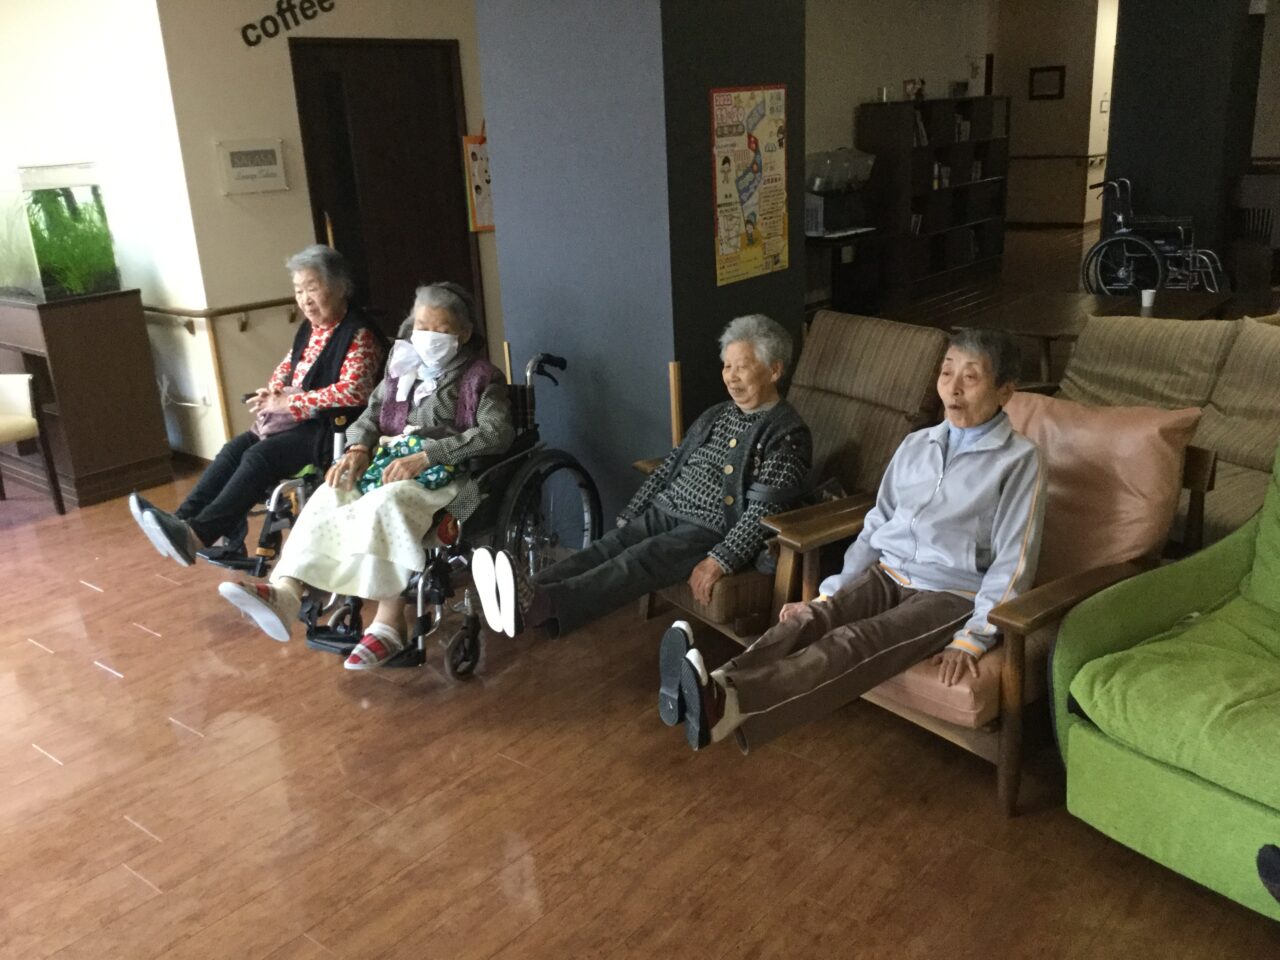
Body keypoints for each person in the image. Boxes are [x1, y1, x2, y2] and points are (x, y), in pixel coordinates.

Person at [659, 327, 1046, 751]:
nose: (952, 388)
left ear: (1005, 390)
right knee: (809, 620)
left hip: (951, 593)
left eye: (970, 377)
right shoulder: (918, 444)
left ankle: (724, 703)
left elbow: (1014, 561)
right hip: (889, 571)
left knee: (854, 641)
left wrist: (975, 636)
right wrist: (832, 592)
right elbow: (878, 522)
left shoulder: (1019, 460)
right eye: (946, 372)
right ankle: (714, 686)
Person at [217, 283, 514, 669]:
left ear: (464, 333)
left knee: (384, 503)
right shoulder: (402, 365)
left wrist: (429, 455)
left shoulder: (481, 377)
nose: (428, 337)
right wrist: (357, 449)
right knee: (331, 491)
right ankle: (286, 592)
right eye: (422, 327)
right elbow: (371, 416)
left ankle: (390, 624)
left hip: (447, 475)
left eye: (440, 330)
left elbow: (497, 433)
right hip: (387, 462)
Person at [469, 313, 811, 641]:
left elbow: (763, 512)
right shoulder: (716, 414)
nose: (731, 377)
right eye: (727, 366)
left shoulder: (787, 433)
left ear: (774, 370)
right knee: (609, 546)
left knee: (638, 559)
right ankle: (523, 592)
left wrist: (721, 558)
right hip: (669, 507)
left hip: (712, 526)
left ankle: (545, 605)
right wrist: (634, 511)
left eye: (742, 367)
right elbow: (671, 465)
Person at [130, 245, 382, 566]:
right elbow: (287, 366)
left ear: (340, 287)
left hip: (331, 429)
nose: (305, 299)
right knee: (234, 449)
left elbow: (355, 392)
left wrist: (290, 402)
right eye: (298, 291)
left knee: (258, 456)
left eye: (312, 288)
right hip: (297, 423)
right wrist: (272, 392)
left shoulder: (359, 334)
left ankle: (196, 536)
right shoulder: (311, 329)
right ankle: (179, 520)